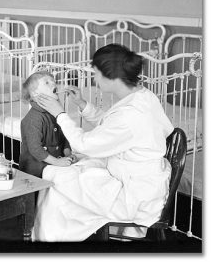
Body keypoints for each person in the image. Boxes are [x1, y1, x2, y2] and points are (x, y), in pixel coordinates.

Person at [31, 44, 173, 242]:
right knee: (58, 172)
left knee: (54, 177)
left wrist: (60, 114)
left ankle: (47, 240)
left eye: (96, 73)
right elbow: (112, 126)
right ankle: (47, 237)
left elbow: (84, 144)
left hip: (133, 194)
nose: (94, 78)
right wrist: (82, 104)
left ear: (111, 77)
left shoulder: (131, 114)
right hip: (139, 178)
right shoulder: (143, 96)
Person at [19, 71, 77, 178]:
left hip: (55, 162)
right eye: (47, 83)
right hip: (35, 170)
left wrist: (68, 154)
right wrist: (57, 162)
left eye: (53, 81)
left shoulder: (55, 112)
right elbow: (36, 149)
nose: (53, 83)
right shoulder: (33, 119)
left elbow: (63, 138)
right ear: (35, 93)